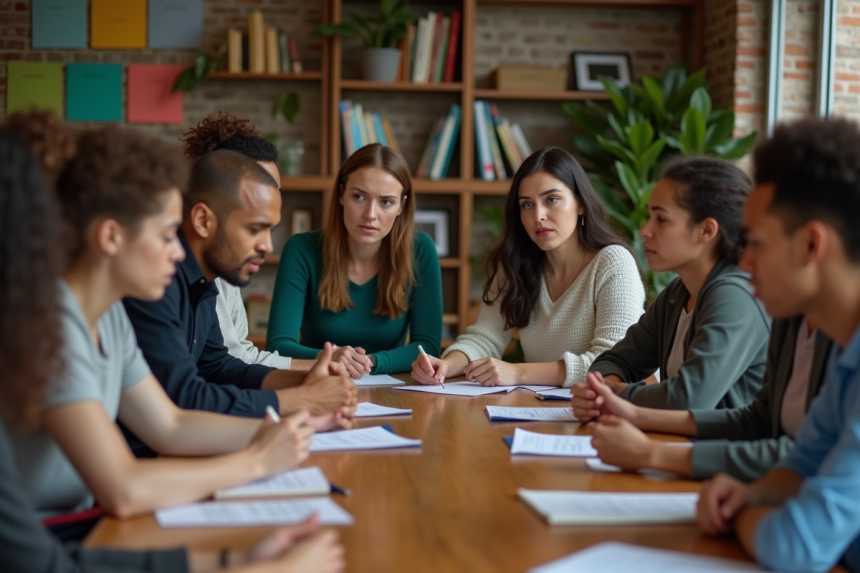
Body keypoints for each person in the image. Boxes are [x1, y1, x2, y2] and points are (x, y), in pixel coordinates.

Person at [0, 126, 344, 573]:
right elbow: (123, 489)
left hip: (77, 532)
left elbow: (171, 424)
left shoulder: (110, 316)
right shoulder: (54, 322)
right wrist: (257, 460)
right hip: (52, 537)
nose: (179, 253)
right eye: (166, 235)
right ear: (111, 237)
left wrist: (292, 428)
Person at [697, 117, 860, 573]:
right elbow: (804, 462)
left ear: (810, 244)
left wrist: (740, 517)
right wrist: (750, 494)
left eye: (758, 244)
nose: (744, 262)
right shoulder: (848, 352)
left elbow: (795, 547)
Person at [123, 147, 358, 456]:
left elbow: (217, 366)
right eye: (254, 229)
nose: (267, 246)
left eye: (271, 230)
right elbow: (184, 396)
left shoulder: (204, 281)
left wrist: (305, 381)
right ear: (203, 220)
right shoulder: (157, 282)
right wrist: (304, 399)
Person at [411, 147, 644, 387]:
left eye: (551, 200)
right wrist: (445, 366)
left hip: (605, 406)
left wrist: (518, 373)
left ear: (581, 203)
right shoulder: (517, 265)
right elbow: (485, 338)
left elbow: (613, 362)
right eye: (527, 205)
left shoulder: (613, 262)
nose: (538, 215)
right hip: (539, 404)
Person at [572, 157, 770, 419]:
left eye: (662, 219)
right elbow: (615, 361)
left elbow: (688, 399)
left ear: (706, 230)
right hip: (673, 440)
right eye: (650, 216)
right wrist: (605, 388)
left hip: (721, 445)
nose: (645, 230)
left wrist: (612, 395)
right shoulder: (678, 293)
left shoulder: (736, 296)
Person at [266, 143, 443, 377]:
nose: (370, 214)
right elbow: (278, 346)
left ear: (402, 205)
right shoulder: (301, 250)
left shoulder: (420, 250)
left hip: (391, 388)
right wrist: (328, 357)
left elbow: (428, 347)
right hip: (317, 383)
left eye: (386, 202)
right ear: (341, 194)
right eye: (359, 197)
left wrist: (370, 362)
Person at [586, 315, 831, 481]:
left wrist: (651, 453)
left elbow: (816, 454)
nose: (746, 262)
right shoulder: (790, 317)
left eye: (759, 252)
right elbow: (759, 420)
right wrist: (634, 414)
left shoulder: (738, 295)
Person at [182, 112, 302, 370]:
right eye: (261, 187)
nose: (267, 246)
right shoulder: (169, 280)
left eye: (276, 190)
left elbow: (222, 362)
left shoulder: (222, 271)